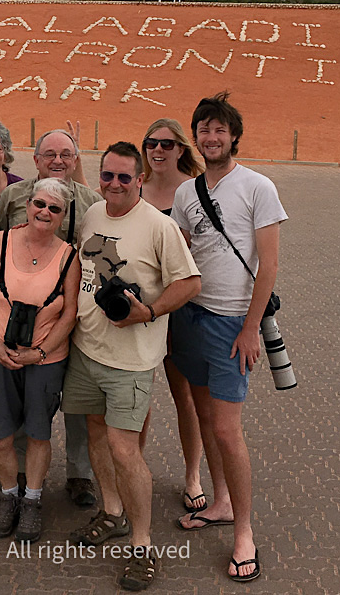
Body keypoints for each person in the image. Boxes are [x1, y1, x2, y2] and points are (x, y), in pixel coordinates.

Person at [65, 142, 200, 591]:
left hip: (132, 363)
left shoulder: (159, 226)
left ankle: (143, 546)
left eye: (125, 177)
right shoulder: (92, 216)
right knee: (97, 437)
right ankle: (112, 512)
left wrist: (153, 311)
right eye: (108, 176)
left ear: (140, 179)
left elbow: (190, 281)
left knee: (126, 450)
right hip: (88, 352)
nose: (115, 184)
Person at [171, 92, 288, 584]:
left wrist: (248, 329)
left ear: (233, 136)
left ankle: (244, 532)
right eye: (204, 129)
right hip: (189, 317)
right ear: (194, 137)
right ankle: (219, 501)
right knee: (202, 414)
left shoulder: (257, 186)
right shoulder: (185, 193)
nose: (211, 137)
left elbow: (270, 266)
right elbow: (179, 252)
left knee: (226, 429)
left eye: (220, 129)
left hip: (230, 323)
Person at [0, 128, 102, 508]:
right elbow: (1, 251)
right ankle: (22, 468)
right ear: (35, 159)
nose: (58, 160)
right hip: (20, 321)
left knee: (76, 400)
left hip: (73, 318)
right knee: (24, 395)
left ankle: (80, 473)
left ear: (76, 160)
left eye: (67, 154)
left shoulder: (92, 204)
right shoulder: (12, 196)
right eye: (50, 154)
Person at [0, 178, 80, 543]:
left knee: (37, 432)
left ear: (63, 216)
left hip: (45, 361)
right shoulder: (1, 241)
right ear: (27, 204)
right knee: (0, 437)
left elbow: (69, 314)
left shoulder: (69, 256)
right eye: (39, 204)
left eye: (54, 208)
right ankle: (9, 495)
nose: (44, 212)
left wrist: (39, 352)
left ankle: (32, 500)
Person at [139, 119, 210, 515]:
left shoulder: (194, 192)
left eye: (167, 143)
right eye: (151, 143)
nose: (158, 150)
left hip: (182, 309)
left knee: (186, 396)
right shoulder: (137, 189)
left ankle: (193, 475)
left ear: (182, 148)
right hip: (143, 311)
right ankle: (136, 468)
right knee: (139, 396)